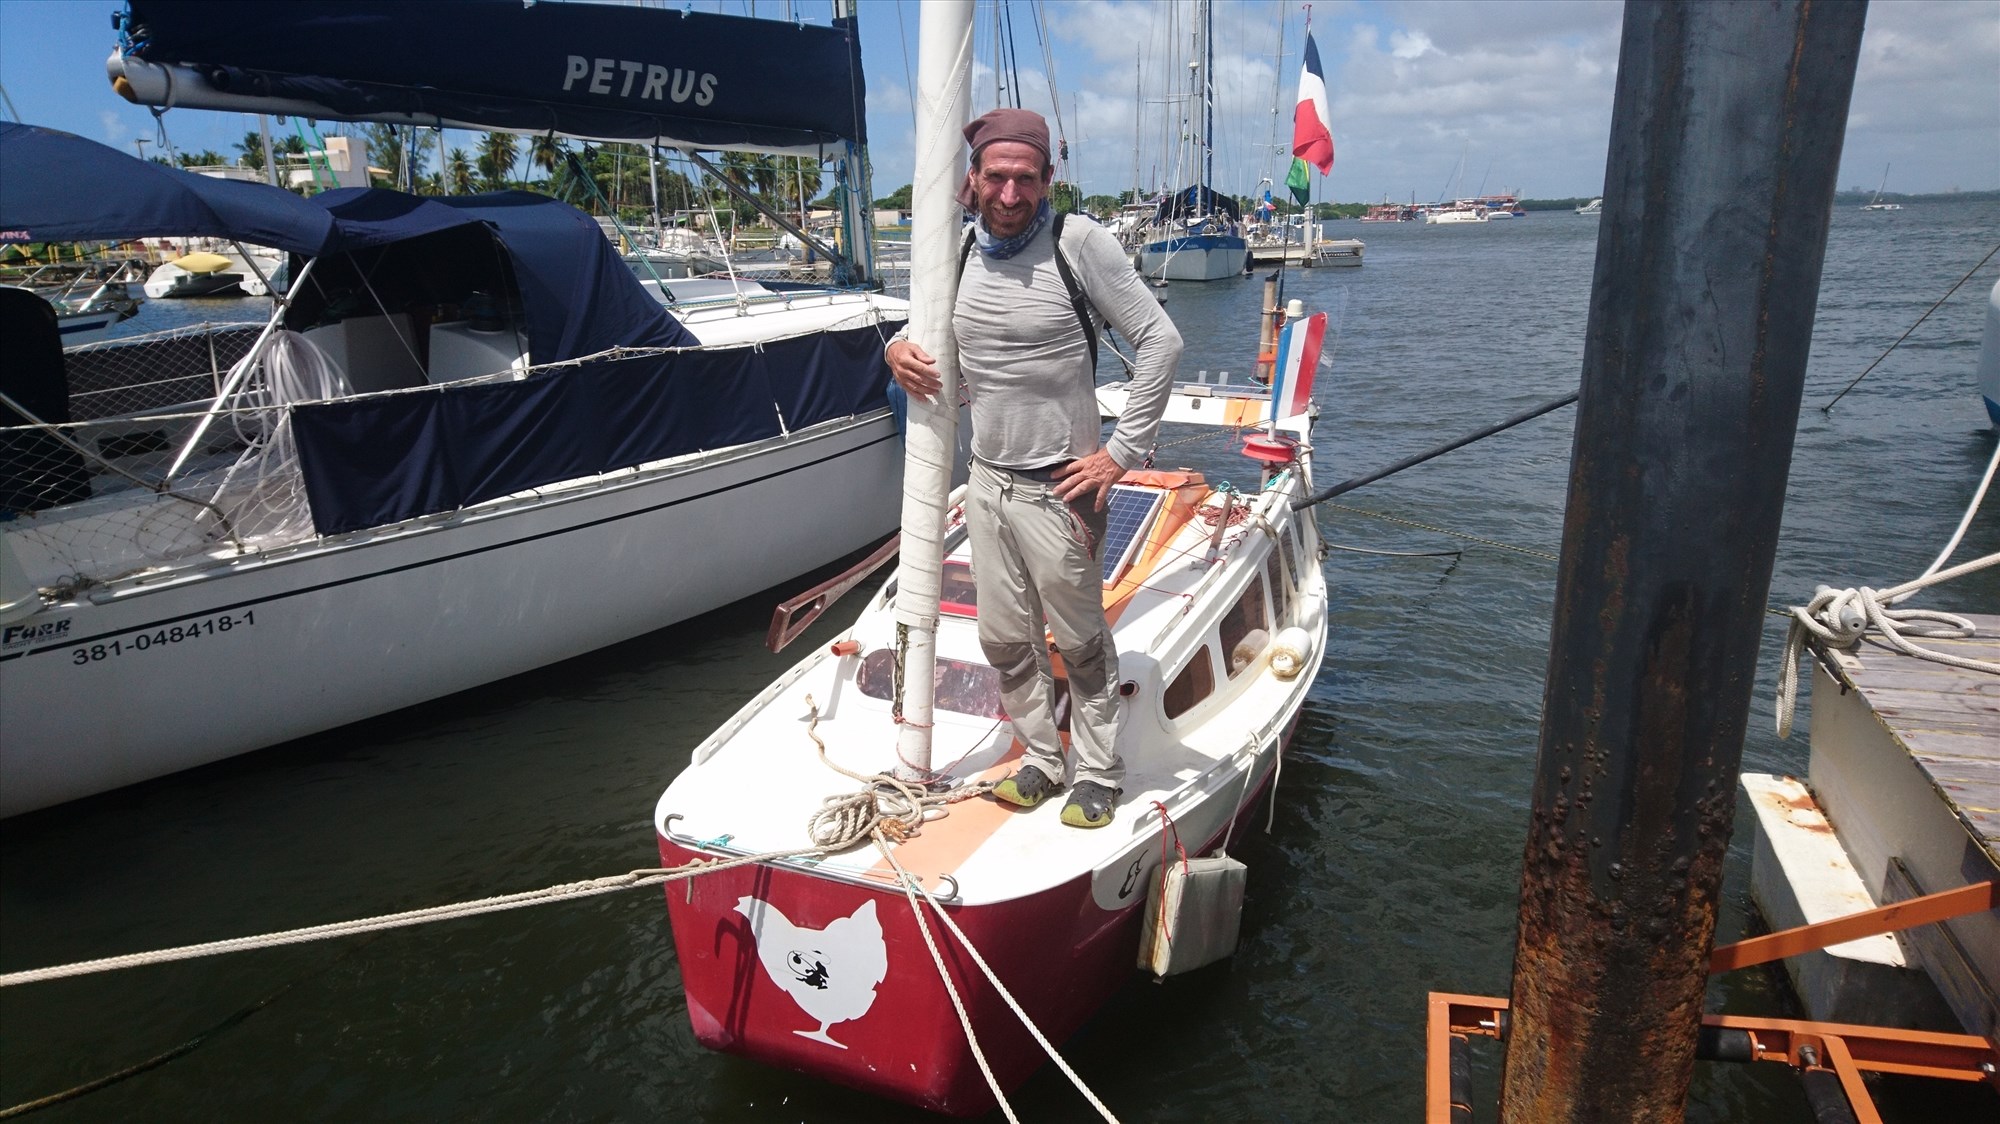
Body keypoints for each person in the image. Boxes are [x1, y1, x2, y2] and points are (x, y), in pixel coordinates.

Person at [885, 108, 1182, 829]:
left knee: (1080, 640)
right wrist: (894, 348)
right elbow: (926, 335)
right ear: (973, 180)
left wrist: (1120, 452)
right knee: (1003, 637)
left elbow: (1161, 342)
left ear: (1049, 180)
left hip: (1062, 486)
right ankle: (1043, 760)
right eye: (996, 177)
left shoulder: (1077, 243)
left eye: (1025, 179)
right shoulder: (953, 252)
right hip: (986, 479)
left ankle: (1101, 773)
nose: (1010, 194)